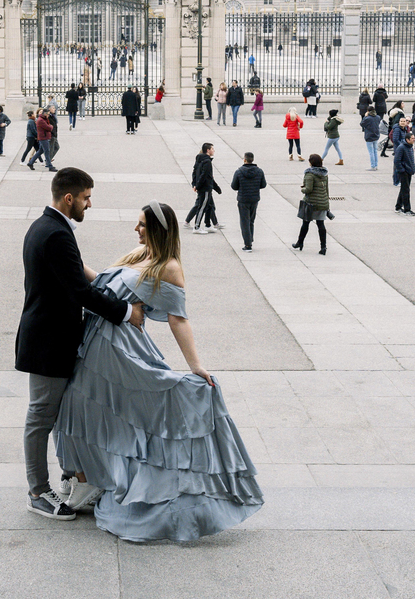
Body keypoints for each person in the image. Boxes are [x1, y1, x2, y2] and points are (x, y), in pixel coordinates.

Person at [52, 200, 262, 541]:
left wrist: (195, 365)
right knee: (78, 411)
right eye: (137, 224)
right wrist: (70, 258)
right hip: (94, 342)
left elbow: (178, 318)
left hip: (117, 350)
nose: (136, 229)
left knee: (105, 413)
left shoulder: (170, 267)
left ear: (160, 230)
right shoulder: (138, 254)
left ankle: (96, 483)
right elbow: (100, 284)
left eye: (143, 225)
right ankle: (89, 478)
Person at [17, 168, 145, 520]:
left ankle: (68, 475)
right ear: (69, 198)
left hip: (51, 337)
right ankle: (37, 492)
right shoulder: (56, 233)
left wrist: (108, 281)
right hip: (48, 342)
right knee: (41, 416)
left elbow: (75, 278)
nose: (90, 204)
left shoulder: (48, 226)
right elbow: (79, 291)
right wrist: (124, 312)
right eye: (86, 198)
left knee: (56, 414)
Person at [292, 154, 330, 255]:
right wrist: (327, 203)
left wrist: (302, 189)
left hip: (311, 203)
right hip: (322, 203)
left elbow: (308, 190)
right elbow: (326, 190)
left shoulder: (309, 174)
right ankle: (323, 247)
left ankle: (300, 242)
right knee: (321, 225)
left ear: (311, 163)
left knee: (305, 223)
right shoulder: (324, 174)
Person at [230, 152, 267, 252]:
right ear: (253, 159)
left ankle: (247, 244)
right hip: (254, 199)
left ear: (244, 160)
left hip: (243, 199)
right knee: (251, 220)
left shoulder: (239, 172)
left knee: (244, 221)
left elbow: (234, 186)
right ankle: (250, 238)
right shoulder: (259, 171)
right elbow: (263, 185)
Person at [185, 143, 222, 233]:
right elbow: (205, 175)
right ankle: (197, 227)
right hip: (205, 188)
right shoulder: (207, 162)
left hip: (204, 186)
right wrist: (197, 186)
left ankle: (208, 225)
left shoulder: (200, 160)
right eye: (212, 149)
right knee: (202, 207)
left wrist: (194, 184)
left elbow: (195, 172)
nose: (214, 150)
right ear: (208, 150)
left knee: (209, 206)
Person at [393, 131, 415, 216]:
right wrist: (402, 170)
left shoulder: (410, 147)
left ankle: (398, 206)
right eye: (412, 138)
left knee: (403, 189)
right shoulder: (401, 147)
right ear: (407, 139)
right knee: (406, 190)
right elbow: (397, 160)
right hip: (404, 172)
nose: (414, 140)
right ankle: (407, 209)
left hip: (409, 171)